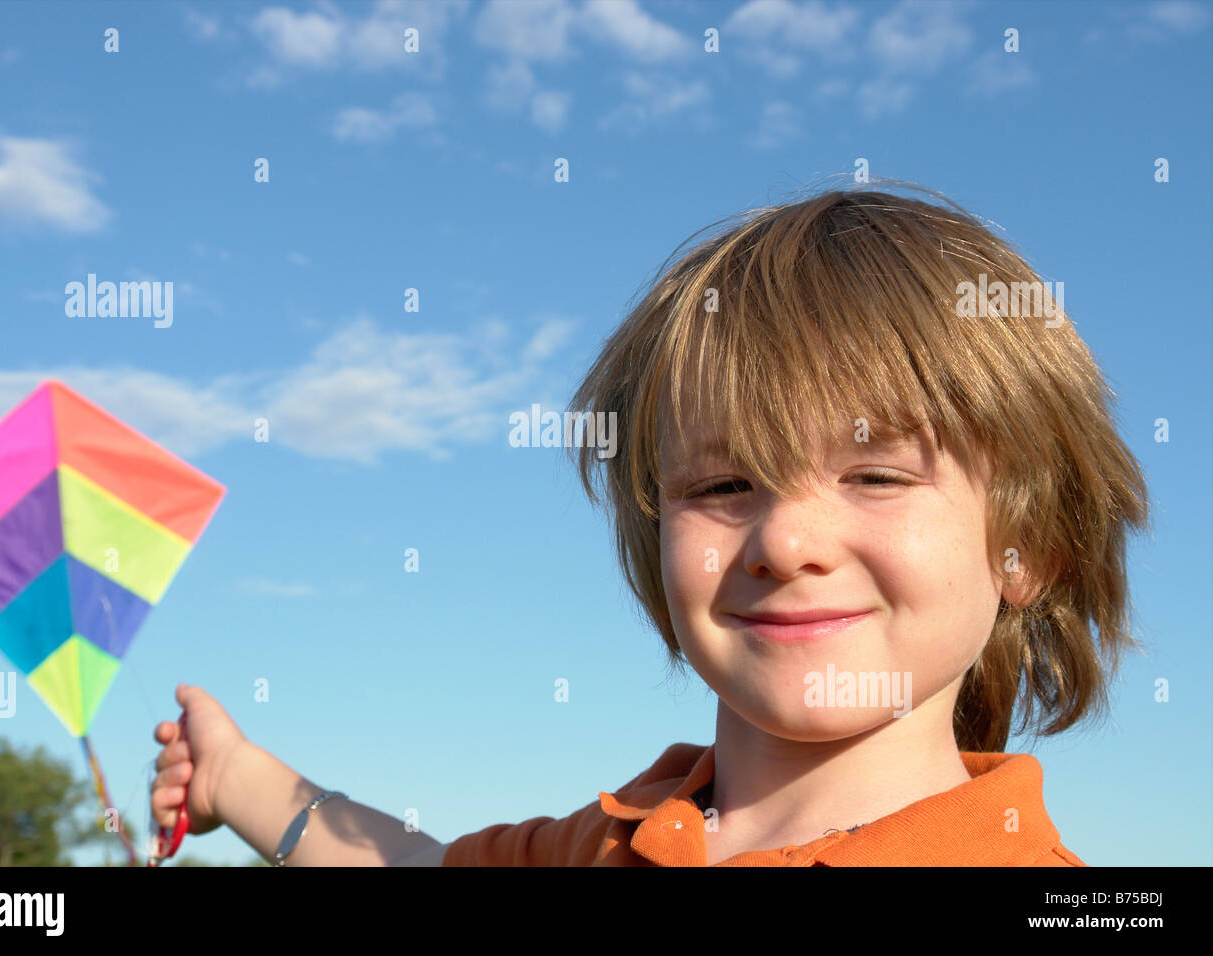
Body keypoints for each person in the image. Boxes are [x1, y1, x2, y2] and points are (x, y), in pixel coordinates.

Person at [151, 182, 1149, 866]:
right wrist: (237, 776)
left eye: (876, 473)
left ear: (1032, 546)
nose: (784, 540)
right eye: (722, 485)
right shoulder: (618, 834)